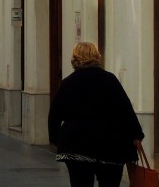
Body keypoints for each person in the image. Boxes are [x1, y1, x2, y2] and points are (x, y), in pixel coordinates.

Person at [48, 42, 144, 187]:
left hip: (76, 144)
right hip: (110, 145)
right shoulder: (110, 80)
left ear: (75, 59)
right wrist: (137, 134)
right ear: (96, 57)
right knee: (110, 183)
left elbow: (54, 114)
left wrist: (55, 138)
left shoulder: (68, 83)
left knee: (80, 183)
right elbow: (125, 109)